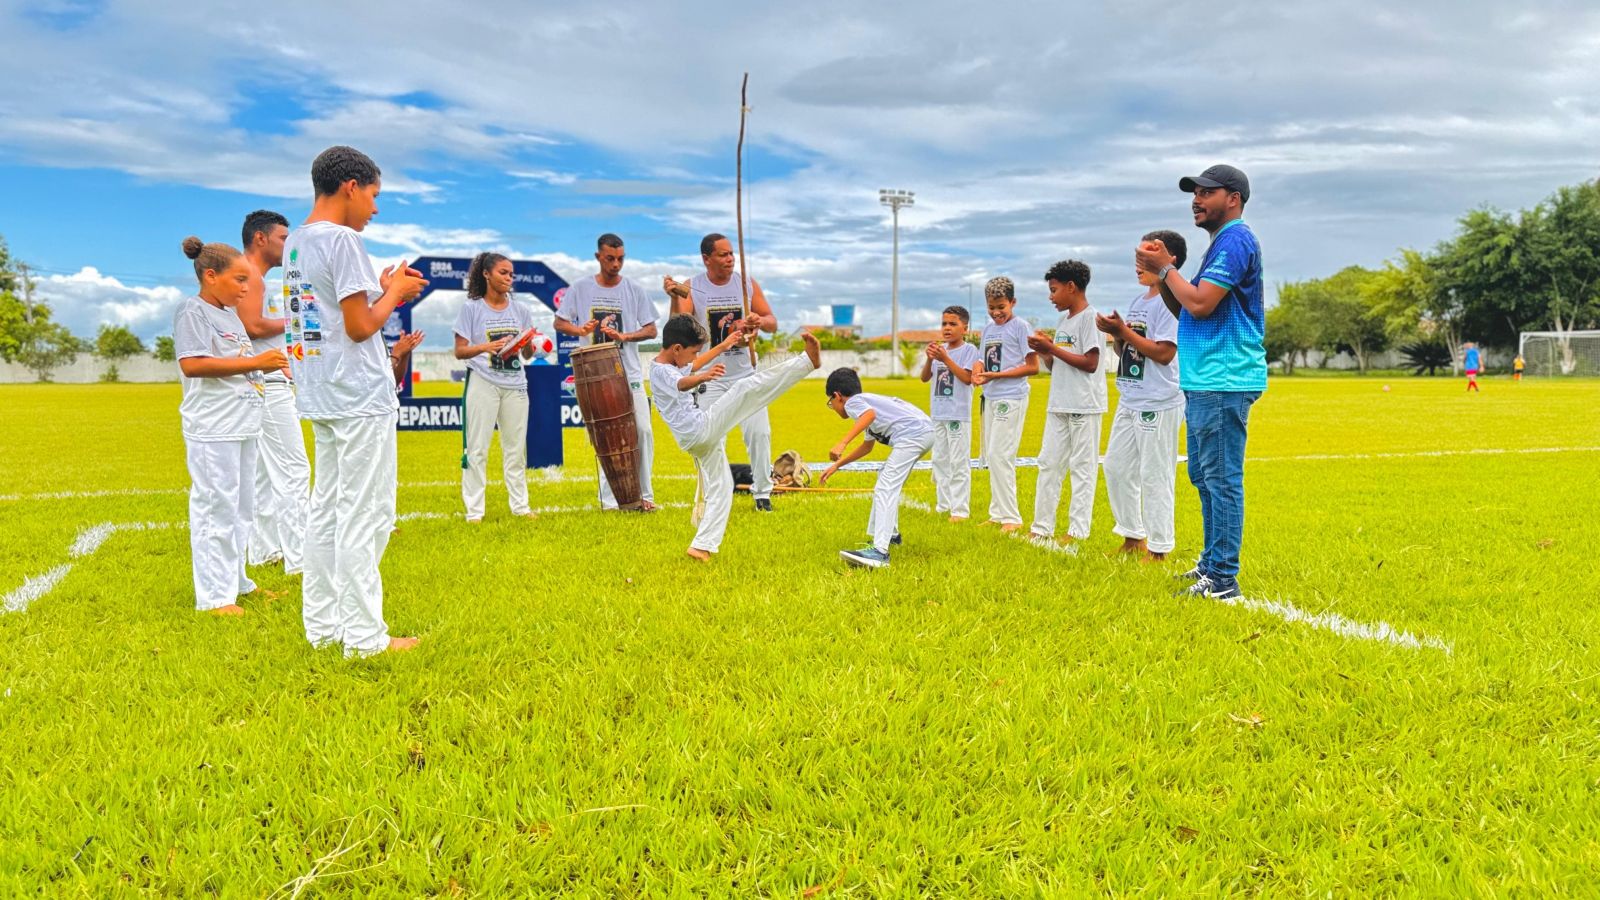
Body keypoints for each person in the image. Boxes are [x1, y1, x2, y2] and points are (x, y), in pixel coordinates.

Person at [283, 145, 428, 656]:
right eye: (373, 195)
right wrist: (396, 296)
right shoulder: (343, 240)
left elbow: (334, 311)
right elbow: (361, 325)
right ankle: (365, 638)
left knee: (326, 511)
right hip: (359, 396)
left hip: (322, 392)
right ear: (350, 186)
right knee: (364, 515)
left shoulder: (296, 241)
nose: (375, 207)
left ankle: (323, 629)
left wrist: (382, 288)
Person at [1136, 164, 1265, 601]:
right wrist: (1162, 274)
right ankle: (1211, 565)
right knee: (1204, 475)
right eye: (1194, 192)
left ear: (1233, 197)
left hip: (1225, 377)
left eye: (1206, 192)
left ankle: (1223, 579)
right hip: (1206, 376)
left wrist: (1167, 268)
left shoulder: (1235, 240)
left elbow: (1202, 303)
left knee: (1221, 477)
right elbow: (1187, 310)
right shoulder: (1219, 244)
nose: (1196, 198)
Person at [173, 236, 287, 615]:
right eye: (240, 280)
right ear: (210, 275)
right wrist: (257, 363)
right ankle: (214, 598)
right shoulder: (194, 312)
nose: (246, 288)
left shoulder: (229, 315)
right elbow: (193, 364)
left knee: (241, 510)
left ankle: (238, 583)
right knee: (214, 508)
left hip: (241, 424)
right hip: (213, 427)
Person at [651, 316, 821, 560]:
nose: (694, 358)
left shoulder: (669, 363)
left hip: (695, 439)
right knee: (744, 389)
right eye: (693, 352)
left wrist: (723, 345)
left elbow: (693, 365)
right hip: (700, 430)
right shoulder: (663, 372)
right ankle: (806, 363)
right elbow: (682, 382)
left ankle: (701, 546)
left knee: (722, 486)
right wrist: (704, 377)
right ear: (677, 349)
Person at [664, 233, 779, 510]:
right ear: (706, 259)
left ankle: (762, 493)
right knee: (709, 437)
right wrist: (674, 296)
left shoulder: (746, 284)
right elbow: (677, 325)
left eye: (731, 254)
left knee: (759, 433)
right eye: (723, 255)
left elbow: (772, 322)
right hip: (711, 377)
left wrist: (757, 321)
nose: (730, 259)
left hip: (745, 374)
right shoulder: (693, 286)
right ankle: (714, 493)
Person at [1099, 230, 1188, 561]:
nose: (1138, 263)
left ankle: (1160, 548)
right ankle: (1133, 536)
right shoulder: (1140, 301)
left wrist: (1122, 333)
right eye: (1136, 255)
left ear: (1168, 259)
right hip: (1131, 397)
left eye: (1146, 255)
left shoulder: (1171, 301)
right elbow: (1129, 348)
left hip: (1159, 401)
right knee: (1116, 468)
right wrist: (1117, 334)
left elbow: (1164, 354)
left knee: (1155, 475)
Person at [555, 233, 659, 511]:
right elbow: (560, 323)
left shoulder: (634, 289)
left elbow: (651, 329)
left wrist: (624, 336)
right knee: (606, 436)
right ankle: (610, 500)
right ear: (598, 257)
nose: (616, 264)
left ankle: (644, 495)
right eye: (610, 258)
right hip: (596, 375)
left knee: (643, 431)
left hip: (630, 373)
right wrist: (580, 330)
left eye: (621, 259)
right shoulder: (580, 288)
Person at [232, 210, 308, 575]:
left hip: (254, 383)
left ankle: (263, 551)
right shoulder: (250, 274)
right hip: (267, 384)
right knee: (294, 469)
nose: (287, 245)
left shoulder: (245, 272)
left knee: (264, 474)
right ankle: (302, 559)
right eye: (282, 237)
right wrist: (298, 321)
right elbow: (251, 326)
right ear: (260, 238)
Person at [819, 368, 934, 569]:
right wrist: (837, 465)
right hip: (923, 432)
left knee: (885, 486)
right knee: (887, 479)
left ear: (837, 396)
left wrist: (842, 442)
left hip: (914, 434)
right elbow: (867, 447)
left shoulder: (855, 403)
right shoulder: (866, 404)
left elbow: (869, 416)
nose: (834, 408)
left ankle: (880, 553)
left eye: (831, 402)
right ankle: (892, 536)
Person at [453, 252, 538, 523]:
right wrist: (486, 347)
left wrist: (526, 346)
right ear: (486, 274)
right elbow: (459, 351)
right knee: (477, 449)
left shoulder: (521, 310)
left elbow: (526, 356)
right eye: (503, 272)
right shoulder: (472, 308)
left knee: (515, 449)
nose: (509, 278)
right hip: (483, 382)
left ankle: (521, 507)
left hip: (515, 385)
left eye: (512, 274)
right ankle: (475, 512)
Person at [1027, 260, 1105, 547]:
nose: (1051, 296)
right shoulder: (1063, 321)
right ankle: (1041, 527)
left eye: (1054, 290)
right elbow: (1056, 363)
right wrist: (1046, 352)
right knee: (1048, 464)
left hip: (1085, 406)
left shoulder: (1091, 319)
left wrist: (1053, 349)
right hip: (1059, 403)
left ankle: (1077, 531)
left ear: (1071, 287)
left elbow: (1091, 362)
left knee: (1083, 469)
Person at [970, 276, 1037, 532]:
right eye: (991, 307)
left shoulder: (1021, 327)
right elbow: (980, 358)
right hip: (991, 396)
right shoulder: (988, 329)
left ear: (1013, 302)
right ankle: (997, 513)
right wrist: (978, 371)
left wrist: (995, 376)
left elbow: (1032, 367)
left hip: (1012, 396)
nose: (996, 312)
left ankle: (1012, 517)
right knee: (991, 455)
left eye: (1001, 307)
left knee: (1001, 455)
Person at [919, 306, 982, 522]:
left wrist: (945, 358)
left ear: (965, 328)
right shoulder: (939, 351)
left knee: (958, 462)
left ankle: (960, 510)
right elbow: (924, 378)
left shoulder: (970, 350)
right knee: (939, 461)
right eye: (944, 323)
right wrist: (930, 359)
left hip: (958, 415)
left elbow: (967, 378)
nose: (947, 328)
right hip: (938, 413)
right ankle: (943, 504)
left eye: (953, 324)